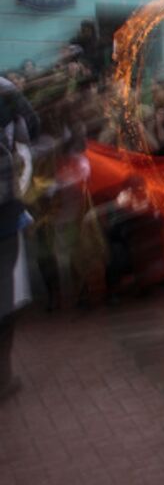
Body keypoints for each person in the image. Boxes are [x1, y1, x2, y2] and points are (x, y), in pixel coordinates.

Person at [0, 77, 36, 400]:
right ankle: (4, 374)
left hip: (7, 219)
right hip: (5, 220)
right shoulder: (4, 89)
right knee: (5, 299)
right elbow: (31, 124)